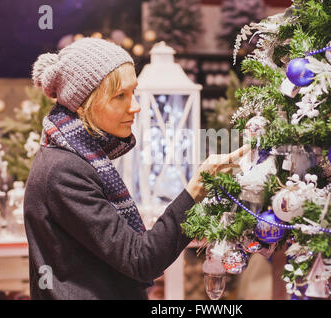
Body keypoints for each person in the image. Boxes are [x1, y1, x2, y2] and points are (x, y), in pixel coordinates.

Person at [24, 37, 249, 300]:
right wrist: (196, 189)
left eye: (134, 92)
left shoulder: (82, 157)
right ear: (84, 103)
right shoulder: (64, 171)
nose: (136, 106)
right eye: (120, 96)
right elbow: (140, 260)